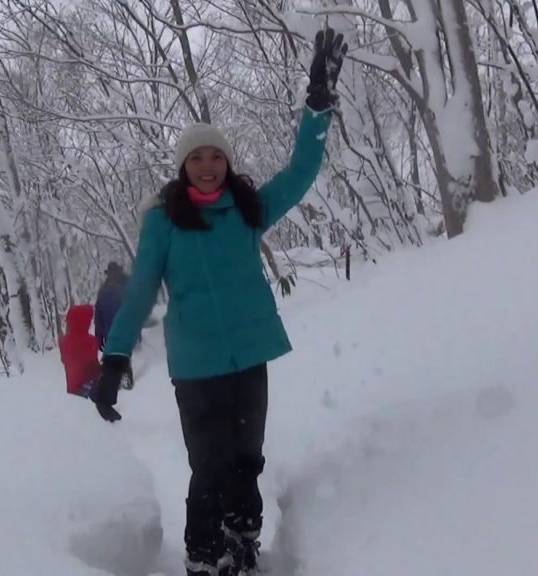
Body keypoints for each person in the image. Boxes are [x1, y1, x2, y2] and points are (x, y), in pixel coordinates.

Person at [91, 28, 348, 576]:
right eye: (197, 158)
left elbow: (301, 173)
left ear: (226, 163)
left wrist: (318, 104)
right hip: (197, 365)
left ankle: (243, 537)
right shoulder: (163, 221)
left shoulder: (247, 208)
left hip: (248, 357)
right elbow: (138, 291)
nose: (207, 166)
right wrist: (114, 358)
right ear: (183, 166)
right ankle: (205, 558)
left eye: (216, 157)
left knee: (247, 460)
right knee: (208, 465)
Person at [59, 304, 101, 398]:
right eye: (89, 320)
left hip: (72, 387)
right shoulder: (90, 341)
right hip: (85, 388)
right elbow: (93, 365)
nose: (90, 322)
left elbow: (64, 360)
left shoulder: (63, 341)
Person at [94, 261, 128, 351]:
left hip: (109, 333)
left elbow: (98, 316)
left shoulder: (104, 290)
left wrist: (98, 337)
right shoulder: (126, 286)